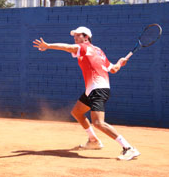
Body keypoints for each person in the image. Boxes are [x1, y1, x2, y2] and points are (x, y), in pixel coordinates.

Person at [33, 26, 140, 161]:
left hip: (98, 89)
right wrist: (120, 62)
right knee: (77, 112)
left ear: (86, 37)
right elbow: (113, 69)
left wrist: (48, 46)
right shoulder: (99, 51)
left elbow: (67, 47)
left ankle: (128, 148)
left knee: (98, 122)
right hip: (93, 89)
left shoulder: (83, 47)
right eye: (74, 36)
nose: (75, 38)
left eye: (78, 35)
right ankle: (93, 140)